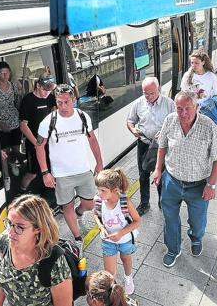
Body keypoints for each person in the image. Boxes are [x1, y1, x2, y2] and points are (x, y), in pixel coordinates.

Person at [152, 91, 217, 268]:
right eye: (179, 108)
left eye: (187, 108)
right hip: (172, 181)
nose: (183, 113)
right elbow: (162, 146)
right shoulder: (170, 120)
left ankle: (196, 237)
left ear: (196, 107)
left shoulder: (208, 126)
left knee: (198, 222)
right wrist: (157, 169)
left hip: (199, 185)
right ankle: (173, 249)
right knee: (169, 219)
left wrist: (211, 184)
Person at [36, 84, 103, 245]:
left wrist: (99, 163)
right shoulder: (48, 121)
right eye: (60, 102)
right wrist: (46, 173)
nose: (64, 106)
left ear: (74, 100)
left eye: (67, 102)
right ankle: (77, 237)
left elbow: (92, 140)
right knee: (67, 206)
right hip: (61, 174)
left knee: (89, 203)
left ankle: (80, 212)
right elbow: (39, 146)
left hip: (83, 169)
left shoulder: (82, 117)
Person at [0, 194, 72, 306]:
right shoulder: (5, 241)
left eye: (19, 227)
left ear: (38, 229)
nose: (10, 232)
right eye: (9, 223)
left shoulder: (54, 262)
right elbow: (2, 279)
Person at [126, 76, 175, 215]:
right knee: (143, 175)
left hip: (162, 146)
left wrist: (165, 132)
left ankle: (162, 201)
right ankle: (144, 203)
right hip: (144, 144)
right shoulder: (138, 103)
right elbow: (130, 121)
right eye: (145, 93)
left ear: (159, 89)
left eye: (151, 93)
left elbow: (176, 123)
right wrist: (133, 129)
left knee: (161, 174)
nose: (148, 97)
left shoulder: (169, 104)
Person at [92, 169, 141, 295]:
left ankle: (128, 278)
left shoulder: (125, 202)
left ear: (115, 190)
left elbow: (137, 221)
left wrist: (120, 233)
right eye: (98, 189)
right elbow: (96, 215)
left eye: (103, 190)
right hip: (108, 241)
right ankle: (113, 291)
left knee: (126, 260)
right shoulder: (98, 200)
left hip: (125, 240)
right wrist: (101, 227)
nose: (99, 193)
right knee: (109, 273)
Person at [19, 70, 56, 193]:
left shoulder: (50, 97)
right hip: (34, 142)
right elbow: (23, 125)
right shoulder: (28, 100)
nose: (47, 93)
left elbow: (55, 111)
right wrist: (36, 144)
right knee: (32, 172)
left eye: (49, 91)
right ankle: (22, 191)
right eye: (45, 90)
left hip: (48, 141)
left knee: (50, 167)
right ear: (38, 85)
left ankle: (48, 191)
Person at [0, 61, 22, 150]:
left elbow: (17, 103)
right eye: (2, 73)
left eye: (7, 72)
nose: (5, 75)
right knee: (4, 152)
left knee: (17, 149)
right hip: (1, 125)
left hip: (15, 123)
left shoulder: (13, 86)